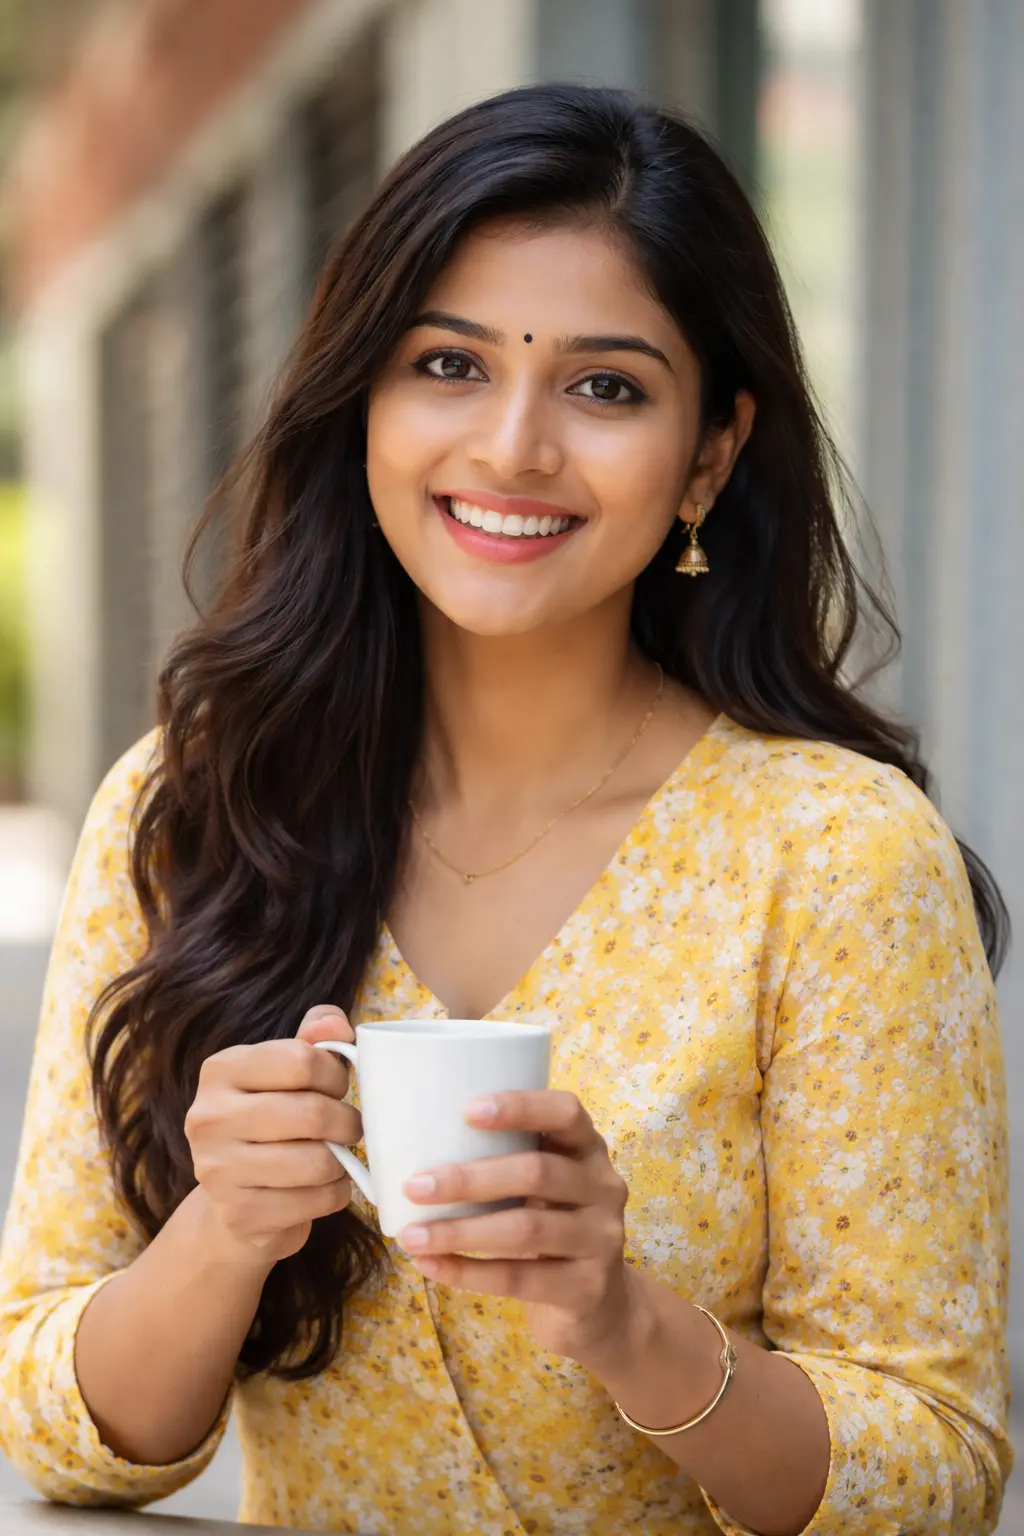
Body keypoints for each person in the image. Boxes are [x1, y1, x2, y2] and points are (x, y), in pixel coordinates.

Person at [0, 82, 1011, 1536]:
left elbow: (935, 1468)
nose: (515, 447)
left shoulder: (836, 859)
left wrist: (625, 1322)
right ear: (363, 399)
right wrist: (226, 1228)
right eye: (449, 365)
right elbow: (61, 1434)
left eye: (606, 388)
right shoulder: (196, 808)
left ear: (710, 454)